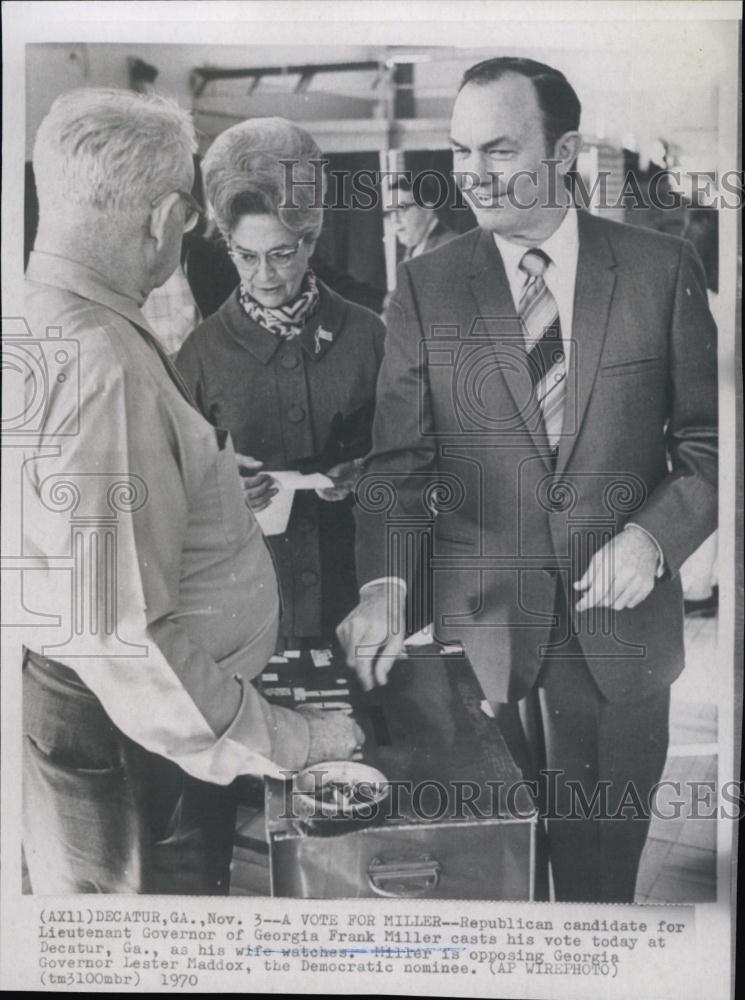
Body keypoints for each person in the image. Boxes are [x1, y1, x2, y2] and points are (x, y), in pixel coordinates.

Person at [338, 57, 718, 903]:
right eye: (459, 150)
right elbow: (399, 467)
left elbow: (709, 442)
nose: (471, 174)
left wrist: (653, 537)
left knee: (596, 898)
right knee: (490, 890)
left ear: (565, 150)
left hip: (617, 640)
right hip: (480, 642)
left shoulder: (658, 270)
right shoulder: (428, 287)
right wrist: (384, 584)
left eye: (498, 150)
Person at [21, 89, 362, 895]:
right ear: (165, 216)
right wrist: (294, 740)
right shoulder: (102, 362)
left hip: (104, 721)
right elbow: (125, 631)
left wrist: (200, 484)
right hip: (139, 745)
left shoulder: (43, 312)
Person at [176, 118, 385, 649]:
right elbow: (169, 497)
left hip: (356, 603)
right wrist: (219, 494)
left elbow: (416, 461)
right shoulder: (198, 356)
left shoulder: (367, 337)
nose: (263, 276)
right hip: (244, 615)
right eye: (245, 256)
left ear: (310, 240)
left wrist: (366, 474)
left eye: (281, 254)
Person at [384, 174, 458, 261]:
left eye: (402, 209)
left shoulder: (450, 247)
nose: (395, 220)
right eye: (390, 213)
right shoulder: (411, 249)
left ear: (428, 208)